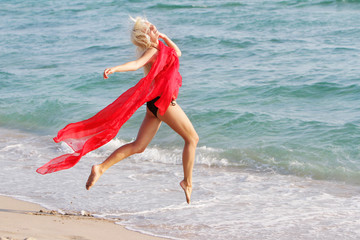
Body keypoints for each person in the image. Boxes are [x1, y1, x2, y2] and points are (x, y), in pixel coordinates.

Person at [83, 17, 199, 204]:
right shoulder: (153, 51)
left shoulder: (162, 48)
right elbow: (136, 64)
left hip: (155, 104)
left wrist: (165, 37)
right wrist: (115, 69)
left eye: (152, 25)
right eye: (149, 28)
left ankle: (101, 168)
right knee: (192, 139)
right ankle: (187, 182)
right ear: (146, 37)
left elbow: (178, 52)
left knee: (138, 146)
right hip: (162, 103)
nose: (154, 27)